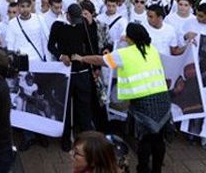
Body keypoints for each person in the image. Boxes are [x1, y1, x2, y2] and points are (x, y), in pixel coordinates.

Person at [73, 23, 171, 173]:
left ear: (130, 38)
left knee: (145, 141)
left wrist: (82, 58)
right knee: (158, 139)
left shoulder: (124, 54)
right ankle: (156, 169)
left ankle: (143, 169)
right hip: (163, 100)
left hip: (144, 103)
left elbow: (101, 60)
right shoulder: (152, 50)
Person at [48, 3, 96, 152]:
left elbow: (92, 45)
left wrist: (89, 62)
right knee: (65, 107)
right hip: (66, 72)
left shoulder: (85, 25)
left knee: (84, 108)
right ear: (67, 15)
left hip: (82, 72)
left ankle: (87, 141)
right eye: (73, 18)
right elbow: (51, 45)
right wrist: (61, 56)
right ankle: (66, 138)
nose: (76, 22)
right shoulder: (58, 25)